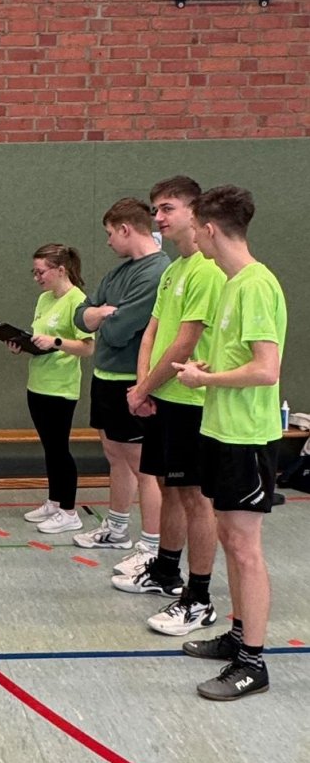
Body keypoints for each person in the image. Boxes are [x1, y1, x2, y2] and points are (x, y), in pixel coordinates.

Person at [175, 185, 287, 701]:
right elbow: (239, 360)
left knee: (245, 548)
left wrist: (206, 380)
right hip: (220, 430)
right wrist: (208, 369)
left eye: (194, 227)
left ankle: (253, 663)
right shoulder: (230, 283)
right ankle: (238, 636)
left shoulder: (257, 285)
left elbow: (266, 370)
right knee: (228, 537)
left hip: (247, 436)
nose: (191, 237)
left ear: (209, 229)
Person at [115, 178, 226, 637]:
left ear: (195, 212)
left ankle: (199, 598)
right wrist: (143, 388)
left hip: (191, 402)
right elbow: (153, 331)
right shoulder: (174, 269)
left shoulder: (207, 270)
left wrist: (144, 388)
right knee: (170, 488)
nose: (158, 217)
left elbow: (186, 341)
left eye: (167, 208)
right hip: (162, 396)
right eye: (155, 209)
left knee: (196, 497)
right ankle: (165, 571)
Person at [72, 198, 170, 551]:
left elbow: (116, 332)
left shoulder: (156, 273)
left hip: (132, 381)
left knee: (143, 466)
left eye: (110, 233)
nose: (108, 241)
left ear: (126, 229)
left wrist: (103, 318)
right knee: (115, 456)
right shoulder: (118, 273)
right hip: (105, 377)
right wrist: (100, 313)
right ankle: (116, 530)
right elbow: (81, 314)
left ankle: (152, 545)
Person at [14, 245, 94, 534]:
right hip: (37, 382)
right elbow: (39, 338)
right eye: (34, 272)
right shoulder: (44, 299)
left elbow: (87, 347)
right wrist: (22, 344)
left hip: (61, 387)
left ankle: (69, 511)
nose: (37, 278)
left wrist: (56, 342)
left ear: (61, 270)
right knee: (49, 447)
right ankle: (54, 500)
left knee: (59, 448)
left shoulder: (78, 301)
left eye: (41, 272)